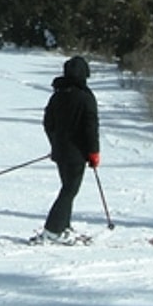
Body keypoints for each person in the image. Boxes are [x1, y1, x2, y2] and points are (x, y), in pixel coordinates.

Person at [38, 56, 100, 245]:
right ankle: (53, 230)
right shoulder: (85, 97)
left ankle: (63, 226)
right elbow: (90, 127)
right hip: (77, 153)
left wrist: (55, 143)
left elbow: (48, 123)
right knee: (69, 191)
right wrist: (94, 152)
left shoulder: (57, 95)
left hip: (61, 152)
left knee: (67, 189)